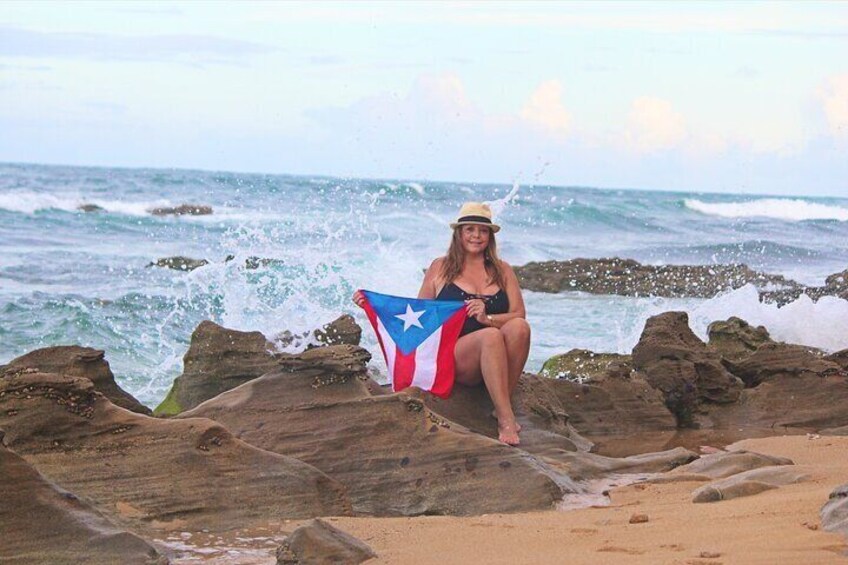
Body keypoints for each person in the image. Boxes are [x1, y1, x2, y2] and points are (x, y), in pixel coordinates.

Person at [353, 202, 530, 446]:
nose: (476, 236)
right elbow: (418, 316)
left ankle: (501, 401)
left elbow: (519, 313)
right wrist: (372, 305)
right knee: (490, 336)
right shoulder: (440, 267)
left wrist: (487, 318)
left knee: (519, 328)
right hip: (457, 356)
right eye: (470, 229)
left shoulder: (503, 270)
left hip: (497, 356)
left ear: (490, 236)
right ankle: (505, 418)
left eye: (483, 231)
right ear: (459, 234)